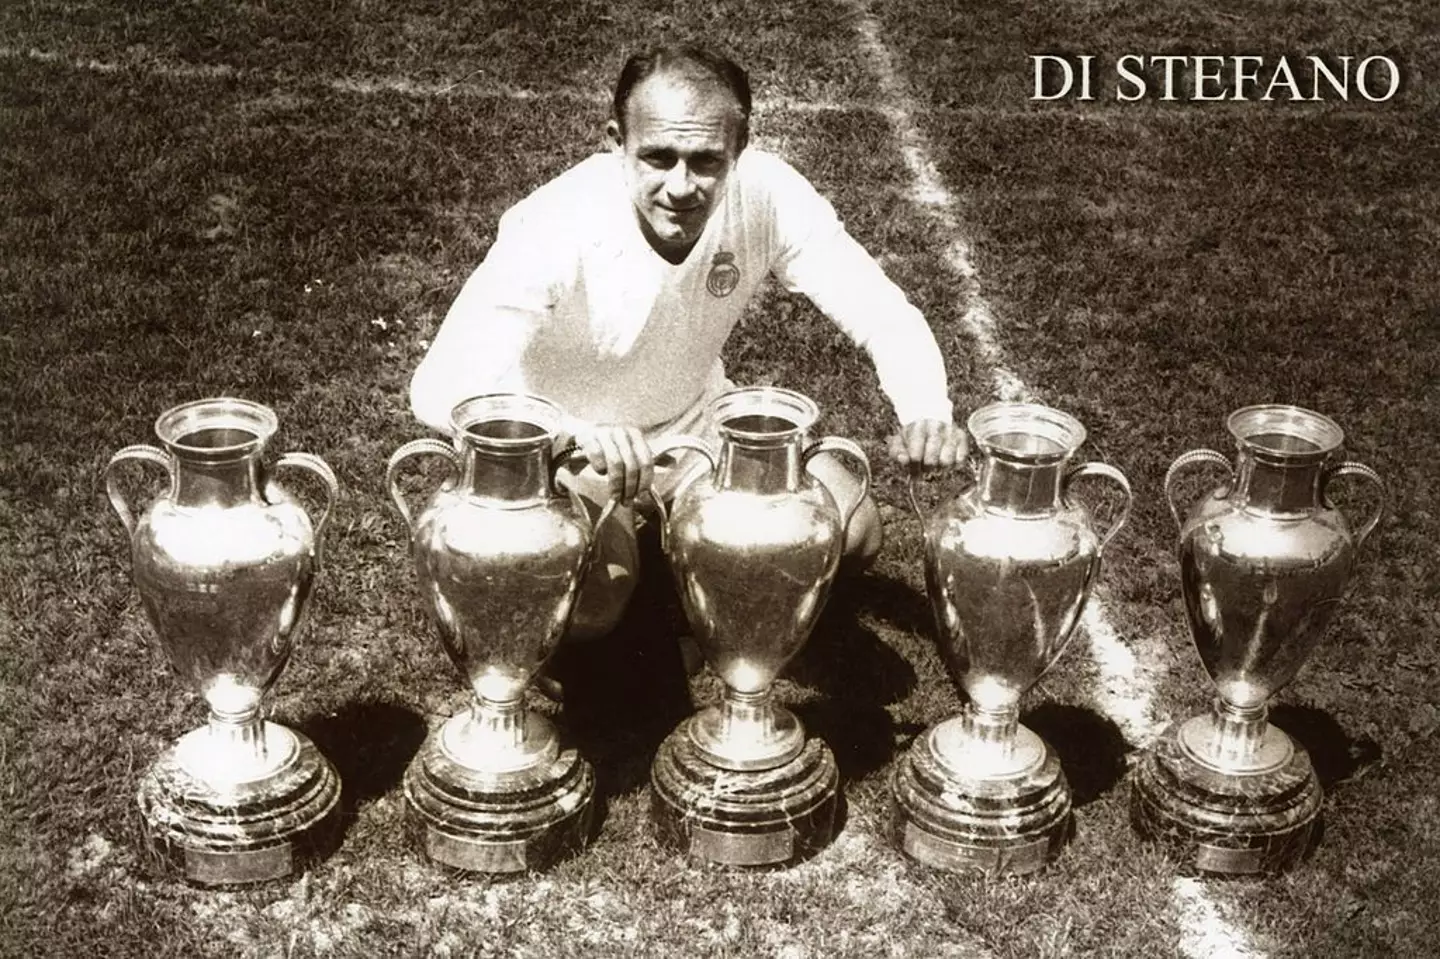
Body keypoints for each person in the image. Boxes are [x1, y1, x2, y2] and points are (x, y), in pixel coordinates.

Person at [411, 44, 966, 641]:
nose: (682, 186)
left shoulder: (770, 193)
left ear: (740, 150)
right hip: (570, 451)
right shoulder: (552, 223)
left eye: (706, 161)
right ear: (614, 143)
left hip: (694, 430)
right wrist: (574, 432)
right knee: (592, 606)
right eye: (658, 157)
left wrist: (927, 411)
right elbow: (439, 388)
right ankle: (649, 572)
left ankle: (689, 577)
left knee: (851, 530)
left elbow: (881, 310)